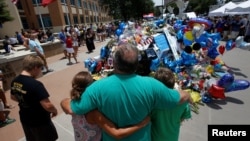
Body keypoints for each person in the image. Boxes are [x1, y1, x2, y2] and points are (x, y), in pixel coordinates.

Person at [61, 42, 191, 141]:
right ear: (136, 64)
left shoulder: (96, 88)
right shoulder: (152, 85)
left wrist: (64, 101)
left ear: (115, 64)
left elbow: (74, 109)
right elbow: (177, 99)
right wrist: (186, 93)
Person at [69, 71, 150, 140]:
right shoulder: (93, 114)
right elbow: (117, 134)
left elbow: (64, 103)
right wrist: (142, 124)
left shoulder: (72, 104)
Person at [10, 55, 58, 141]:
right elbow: (48, 106)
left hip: (25, 118)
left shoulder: (15, 81)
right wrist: (55, 111)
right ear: (35, 67)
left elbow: (13, 97)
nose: (40, 72)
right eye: (40, 69)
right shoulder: (36, 84)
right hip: (39, 121)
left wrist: (25, 100)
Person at [151, 67, 191, 141]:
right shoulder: (183, 100)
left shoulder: (153, 102)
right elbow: (183, 118)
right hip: (172, 137)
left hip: (155, 138)